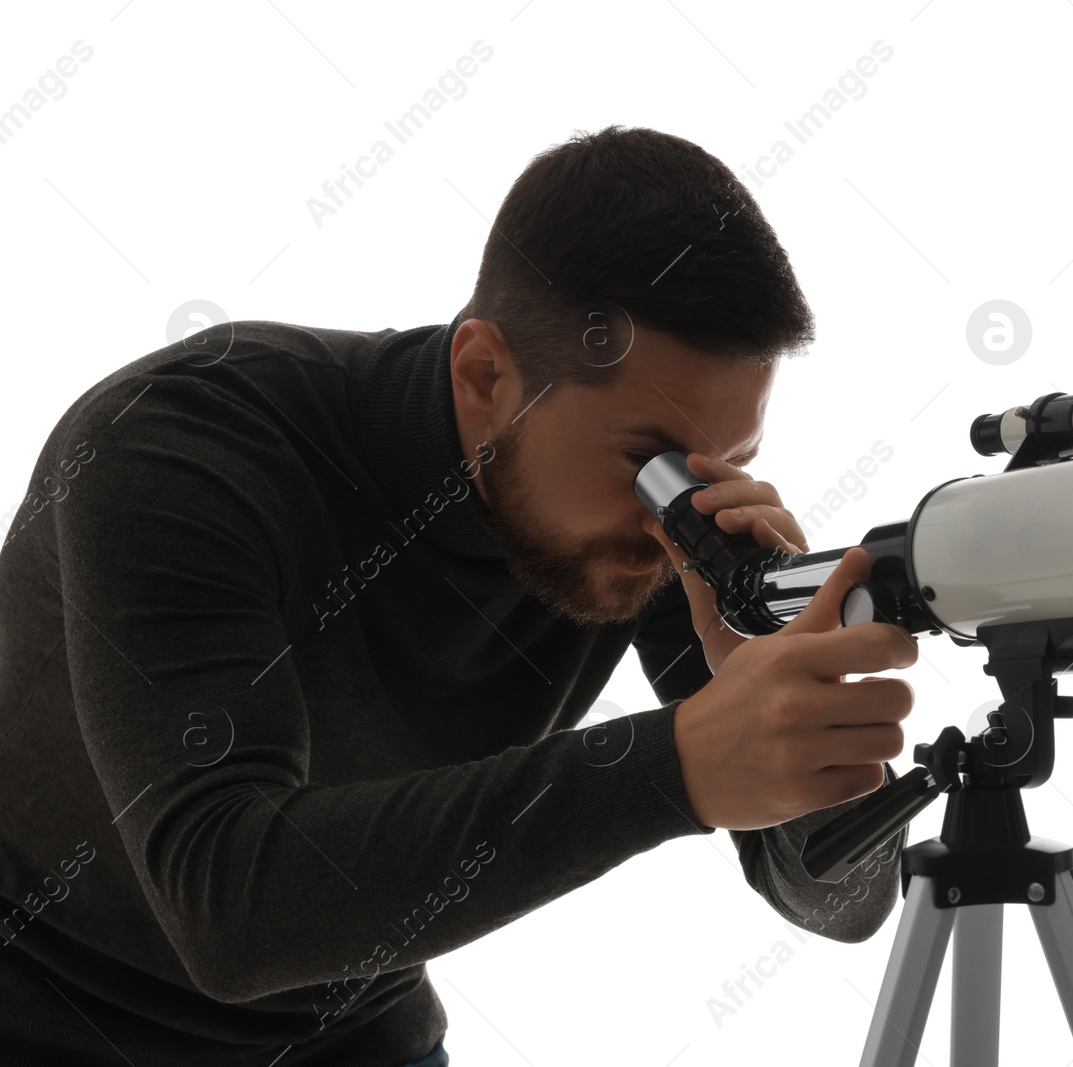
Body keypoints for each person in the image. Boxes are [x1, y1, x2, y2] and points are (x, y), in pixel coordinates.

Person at [0, 125, 915, 1065]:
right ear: (486, 376)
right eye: (653, 465)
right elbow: (229, 909)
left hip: (360, 1039)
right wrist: (672, 766)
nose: (675, 517)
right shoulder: (177, 447)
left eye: (729, 464)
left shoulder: (642, 527)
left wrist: (805, 725)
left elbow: (838, 904)